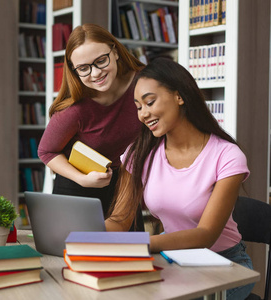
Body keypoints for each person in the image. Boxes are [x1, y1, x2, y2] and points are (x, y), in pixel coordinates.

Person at [106, 57, 254, 300]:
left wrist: (142, 244)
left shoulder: (226, 156)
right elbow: (119, 219)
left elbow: (206, 234)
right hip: (169, 257)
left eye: (150, 102)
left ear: (180, 96)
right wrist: (89, 235)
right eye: (138, 107)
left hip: (223, 264)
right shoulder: (139, 153)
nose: (143, 114)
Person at [37, 23, 144, 228]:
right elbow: (46, 152)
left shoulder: (144, 83)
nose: (95, 73)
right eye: (84, 68)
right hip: (77, 185)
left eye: (101, 61)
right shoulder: (74, 109)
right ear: (74, 71)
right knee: (73, 254)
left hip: (125, 183)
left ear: (115, 52)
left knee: (130, 253)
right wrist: (82, 179)